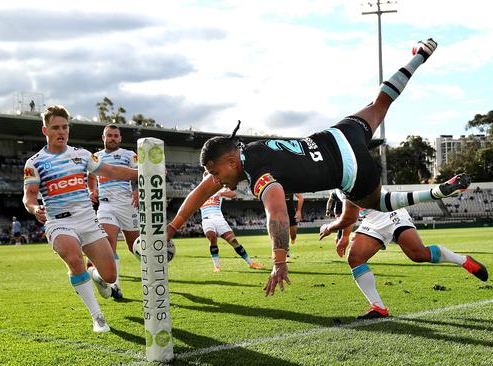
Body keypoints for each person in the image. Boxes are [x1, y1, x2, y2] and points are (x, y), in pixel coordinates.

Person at [166, 38, 471, 296]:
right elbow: (202, 189)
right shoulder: (248, 152)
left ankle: (436, 191)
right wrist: (170, 229)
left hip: (350, 171)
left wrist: (280, 260)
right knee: (380, 103)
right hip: (338, 135)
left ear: (231, 162)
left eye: (218, 173)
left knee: (377, 203)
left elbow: (277, 214)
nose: (218, 181)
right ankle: (419, 56)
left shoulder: (259, 173)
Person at [22, 105, 137, 333]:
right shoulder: (34, 163)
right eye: (55, 128)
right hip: (58, 222)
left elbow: (112, 171)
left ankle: (96, 276)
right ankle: (98, 318)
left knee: (110, 275)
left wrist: (145, 172)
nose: (61, 132)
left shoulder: (82, 155)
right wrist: (35, 209)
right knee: (74, 258)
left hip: (87, 220)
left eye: (65, 127)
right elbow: (29, 197)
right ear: (45, 130)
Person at [321, 190, 488, 319]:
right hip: (371, 222)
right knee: (355, 258)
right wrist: (344, 237)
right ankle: (378, 307)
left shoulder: (347, 176)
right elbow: (349, 212)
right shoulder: (337, 187)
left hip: (391, 214)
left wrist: (331, 229)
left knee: (418, 254)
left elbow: (349, 217)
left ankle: (463, 260)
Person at [87, 124, 140, 300]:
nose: (113, 138)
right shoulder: (96, 157)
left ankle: (153, 274)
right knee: (108, 243)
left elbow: (143, 173)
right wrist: (92, 190)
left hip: (127, 205)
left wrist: (139, 190)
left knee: (136, 247)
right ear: (103, 138)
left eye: (116, 135)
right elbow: (91, 176)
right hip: (106, 205)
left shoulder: (129, 154)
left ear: (120, 138)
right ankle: (114, 285)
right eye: (109, 135)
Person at [200, 172, 265, 272]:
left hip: (219, 218)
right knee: (212, 238)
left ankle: (251, 263)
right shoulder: (199, 192)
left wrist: (221, 194)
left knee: (233, 241)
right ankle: (216, 266)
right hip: (207, 219)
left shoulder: (219, 190)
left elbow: (234, 194)